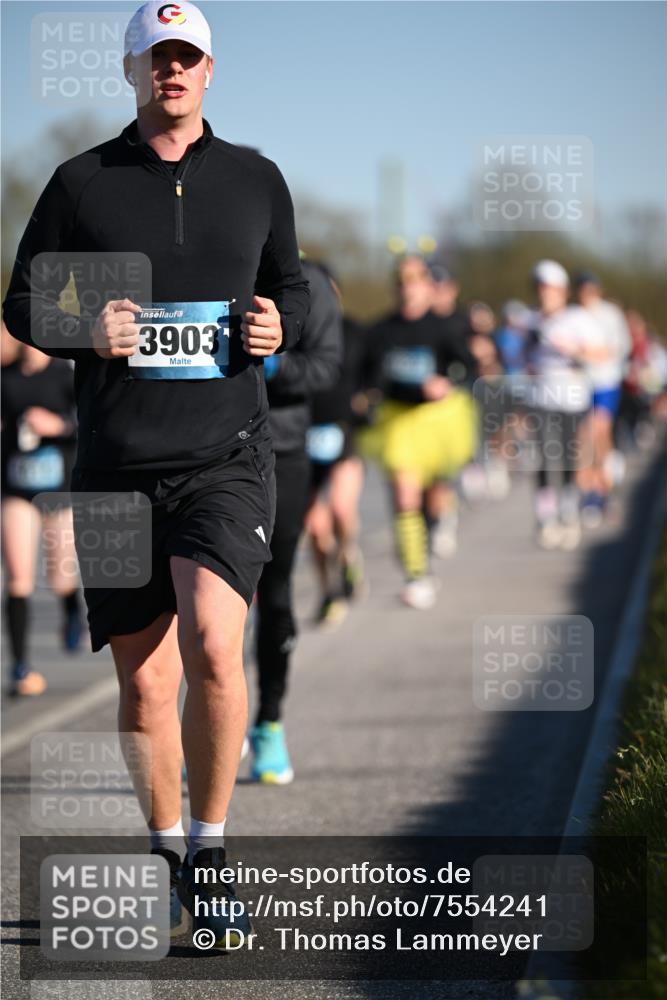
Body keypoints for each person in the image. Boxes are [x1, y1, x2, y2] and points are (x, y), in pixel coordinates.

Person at [3, 0, 308, 948]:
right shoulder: (81, 181)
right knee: (144, 686)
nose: (171, 71)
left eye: (187, 57)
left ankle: (212, 858)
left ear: (209, 71)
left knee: (217, 646)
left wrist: (278, 327)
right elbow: (23, 302)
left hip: (225, 454)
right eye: (154, 57)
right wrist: (82, 326)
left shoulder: (256, 179)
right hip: (112, 466)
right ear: (131, 71)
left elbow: (290, 288)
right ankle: (168, 853)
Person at [252, 258, 342, 783]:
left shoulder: (305, 284)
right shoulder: (200, 263)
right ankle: (205, 718)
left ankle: (268, 722)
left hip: (279, 449)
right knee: (193, 604)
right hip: (198, 450)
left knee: (274, 588)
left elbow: (327, 366)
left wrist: (275, 366)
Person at [358, 255, 477, 608]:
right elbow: (367, 376)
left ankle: (440, 519)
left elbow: (467, 367)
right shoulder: (380, 331)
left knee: (435, 493)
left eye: (415, 280)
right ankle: (417, 573)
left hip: (439, 421)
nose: (408, 287)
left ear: (427, 286)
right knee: (404, 497)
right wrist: (368, 395)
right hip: (399, 423)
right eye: (402, 281)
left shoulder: (444, 328)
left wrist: (447, 382)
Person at [1, 327, 82, 696]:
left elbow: (86, 425)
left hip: (58, 491)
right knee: (18, 578)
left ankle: (70, 609)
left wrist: (58, 425)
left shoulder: (63, 374)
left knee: (60, 577)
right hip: (16, 489)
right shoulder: (6, 377)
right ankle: (20, 667)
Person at [526, 261, 606, 550]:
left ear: (562, 291)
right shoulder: (531, 321)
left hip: (573, 399)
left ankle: (569, 512)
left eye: (548, 289)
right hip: (541, 398)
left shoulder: (578, 319)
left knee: (571, 459)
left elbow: (603, 352)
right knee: (546, 458)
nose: (543, 294)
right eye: (539, 289)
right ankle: (545, 518)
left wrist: (574, 350)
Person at [304, 271, 368, 627]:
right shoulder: (292, 331)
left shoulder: (354, 332)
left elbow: (376, 371)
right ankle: (329, 590)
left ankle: (348, 557)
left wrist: (369, 397)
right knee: (315, 526)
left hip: (343, 432)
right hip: (304, 433)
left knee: (342, 510)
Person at [574, 272, 631, 524]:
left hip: (605, 382)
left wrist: (593, 353)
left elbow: (620, 347)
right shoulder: (573, 315)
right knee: (583, 437)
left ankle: (601, 489)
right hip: (580, 384)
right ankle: (592, 488)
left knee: (598, 430)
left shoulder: (610, 314)